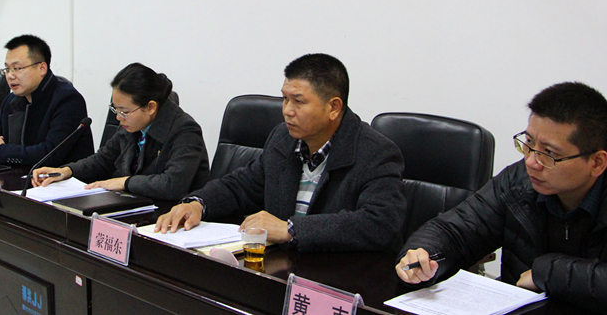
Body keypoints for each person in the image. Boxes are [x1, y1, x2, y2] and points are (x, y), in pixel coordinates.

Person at [155, 53, 406, 253]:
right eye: (285, 99)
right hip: (284, 267)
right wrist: (198, 203)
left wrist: (291, 229)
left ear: (333, 107)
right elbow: (243, 185)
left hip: (340, 276)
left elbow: (379, 223)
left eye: (299, 101)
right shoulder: (283, 138)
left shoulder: (375, 152)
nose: (287, 110)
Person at [396, 82, 607, 313]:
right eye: (529, 143)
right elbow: (455, 230)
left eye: (549, 153)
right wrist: (424, 253)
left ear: (597, 162)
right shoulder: (518, 182)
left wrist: (547, 272)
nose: (531, 162)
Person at [32, 63, 210, 201]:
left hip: (170, 216)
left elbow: (173, 185)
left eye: (124, 111)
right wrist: (67, 171)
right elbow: (102, 160)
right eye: (115, 109)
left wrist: (124, 182)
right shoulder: (133, 124)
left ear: (150, 107)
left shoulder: (185, 131)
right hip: (133, 206)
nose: (118, 117)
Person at [0, 35, 93, 166]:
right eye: (7, 69)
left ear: (42, 68)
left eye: (17, 68)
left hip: (60, 176)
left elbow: (49, 154)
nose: (10, 75)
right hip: (19, 175)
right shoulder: (12, 100)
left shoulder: (68, 101)